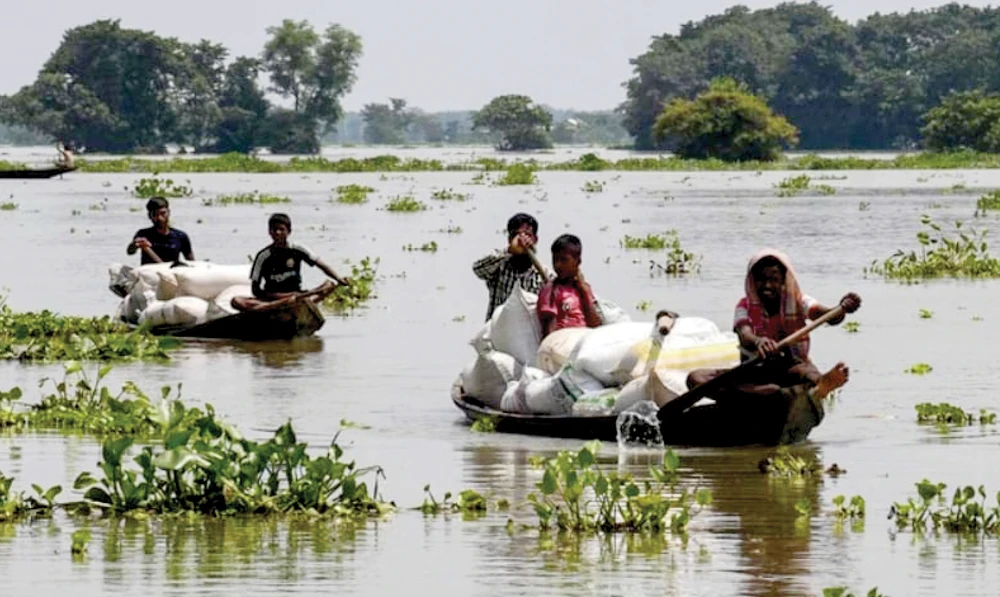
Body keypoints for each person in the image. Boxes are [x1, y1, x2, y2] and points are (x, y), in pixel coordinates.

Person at [682, 249, 861, 405]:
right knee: (696, 378)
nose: (767, 286)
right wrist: (759, 342)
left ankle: (821, 386)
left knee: (807, 372)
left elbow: (826, 316)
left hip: (790, 369)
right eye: (761, 280)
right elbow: (743, 333)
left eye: (774, 280)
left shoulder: (799, 301)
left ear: (783, 281)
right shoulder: (744, 306)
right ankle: (763, 395)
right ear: (753, 281)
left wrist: (841, 309)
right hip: (753, 372)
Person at [232, 213, 352, 311]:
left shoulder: (297, 250)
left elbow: (321, 264)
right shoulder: (263, 256)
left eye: (281, 229)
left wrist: (338, 279)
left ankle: (297, 302)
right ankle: (278, 306)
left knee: (328, 286)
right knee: (236, 301)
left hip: (297, 296)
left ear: (289, 231)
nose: (278, 233)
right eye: (274, 230)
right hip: (272, 299)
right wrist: (278, 297)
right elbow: (255, 290)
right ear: (269, 232)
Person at [472, 213, 545, 321]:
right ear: (510, 239)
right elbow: (478, 269)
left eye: (527, 235)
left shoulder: (541, 276)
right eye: (516, 235)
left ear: (535, 239)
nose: (522, 241)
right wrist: (510, 250)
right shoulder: (499, 268)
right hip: (497, 334)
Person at [536, 234, 603, 338]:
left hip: (585, 339)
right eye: (555, 260)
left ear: (578, 261)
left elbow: (595, 325)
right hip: (564, 341)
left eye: (563, 260)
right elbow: (549, 331)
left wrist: (583, 291)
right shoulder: (551, 290)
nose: (557, 265)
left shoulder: (584, 288)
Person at [126, 197, 194, 265]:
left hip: (171, 273)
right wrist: (135, 244)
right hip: (148, 273)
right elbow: (130, 252)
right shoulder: (143, 234)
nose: (160, 218)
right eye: (155, 215)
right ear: (150, 216)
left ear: (168, 212)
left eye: (163, 213)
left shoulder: (181, 236)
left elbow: (191, 262)